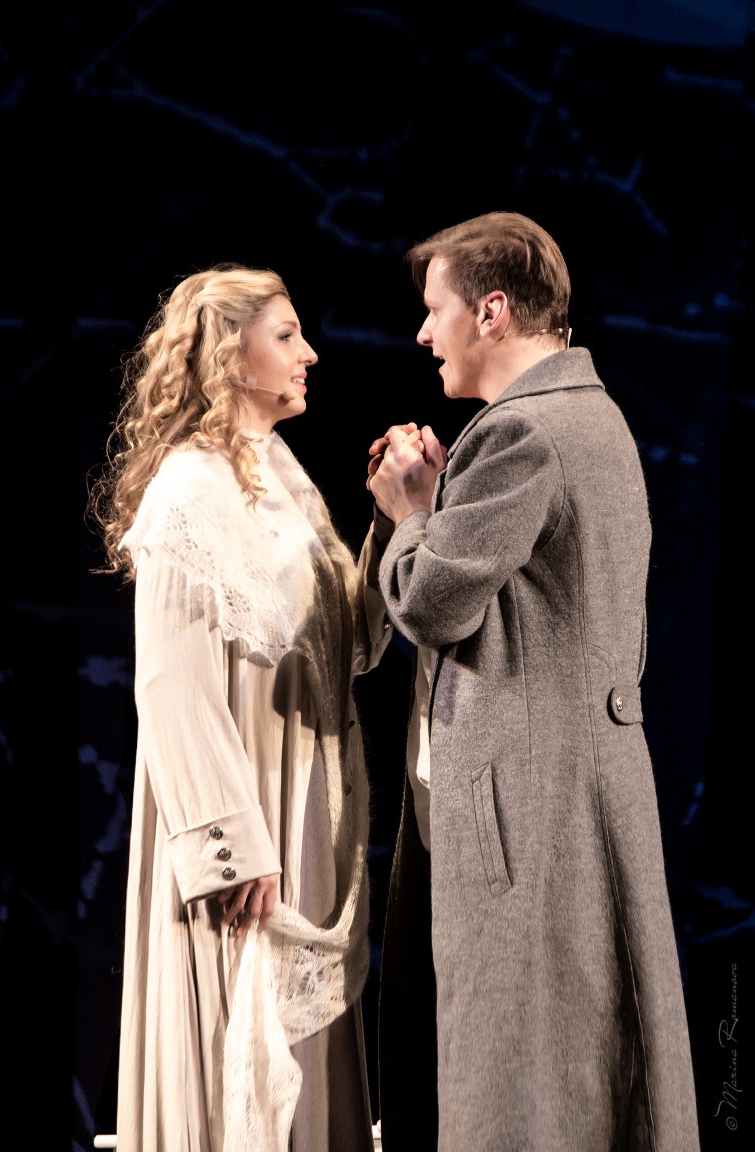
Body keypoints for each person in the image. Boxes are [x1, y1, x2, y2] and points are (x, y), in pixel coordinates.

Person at [366, 212, 701, 1151]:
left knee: (520, 1087)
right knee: (575, 1069)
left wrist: (409, 512)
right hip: (574, 796)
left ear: (492, 312)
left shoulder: (519, 432)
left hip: (527, 810)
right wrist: (444, 507)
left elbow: (432, 604)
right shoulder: (591, 414)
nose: (423, 333)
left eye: (435, 310)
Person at [87, 263, 393, 1152]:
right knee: (237, 1048)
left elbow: (348, 645)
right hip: (243, 830)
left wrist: (392, 521)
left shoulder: (278, 477)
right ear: (229, 353)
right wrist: (229, 847)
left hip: (303, 812)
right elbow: (170, 686)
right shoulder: (187, 491)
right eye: (287, 335)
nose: (311, 353)